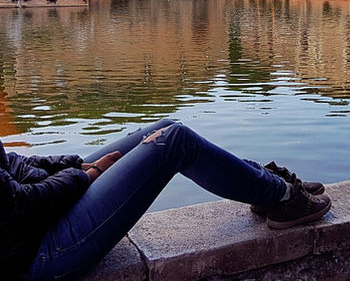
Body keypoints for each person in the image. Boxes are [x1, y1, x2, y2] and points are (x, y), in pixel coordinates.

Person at [1, 119, 331, 280]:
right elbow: (18, 207)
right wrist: (86, 176)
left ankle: (263, 185)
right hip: (41, 251)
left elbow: (13, 164)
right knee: (175, 141)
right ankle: (284, 197)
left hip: (37, 226)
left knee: (164, 128)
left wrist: (75, 165)